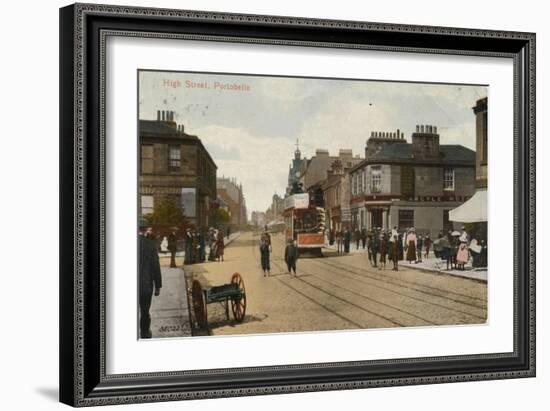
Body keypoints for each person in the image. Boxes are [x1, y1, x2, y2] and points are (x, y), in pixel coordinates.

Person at [138, 218, 162, 339]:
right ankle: (145, 333)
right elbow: (155, 266)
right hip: (146, 286)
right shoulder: (150, 245)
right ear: (146, 229)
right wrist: (158, 286)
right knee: (145, 311)